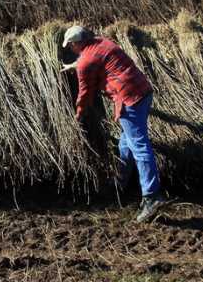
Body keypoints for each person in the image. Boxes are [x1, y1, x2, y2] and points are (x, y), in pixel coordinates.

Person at [60, 25, 167, 223]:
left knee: (139, 146)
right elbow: (93, 59)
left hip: (129, 99)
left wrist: (79, 114)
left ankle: (152, 196)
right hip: (143, 91)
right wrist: (74, 65)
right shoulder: (102, 42)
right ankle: (120, 184)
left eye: (71, 45)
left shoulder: (85, 61)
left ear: (77, 43)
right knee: (125, 143)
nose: (71, 48)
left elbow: (85, 93)